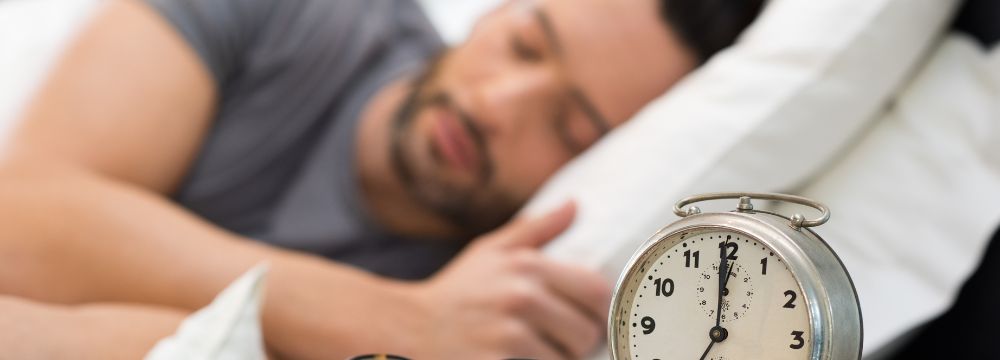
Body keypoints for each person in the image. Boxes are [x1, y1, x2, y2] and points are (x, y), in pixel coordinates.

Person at [0, 0, 762, 358]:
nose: (498, 106)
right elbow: (20, 218)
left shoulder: (497, 308)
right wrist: (392, 318)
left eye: (570, 128)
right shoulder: (299, 15)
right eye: (526, 46)